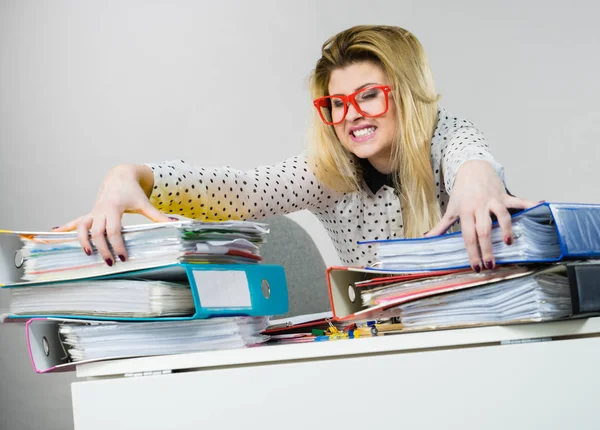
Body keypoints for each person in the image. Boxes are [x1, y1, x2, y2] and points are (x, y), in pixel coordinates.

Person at [55, 25, 537, 272]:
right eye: (336, 103)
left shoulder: (447, 135)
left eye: (369, 95)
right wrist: (127, 177)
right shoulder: (332, 171)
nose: (351, 115)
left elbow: (469, 157)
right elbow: (241, 191)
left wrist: (476, 179)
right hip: (382, 358)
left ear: (406, 94)